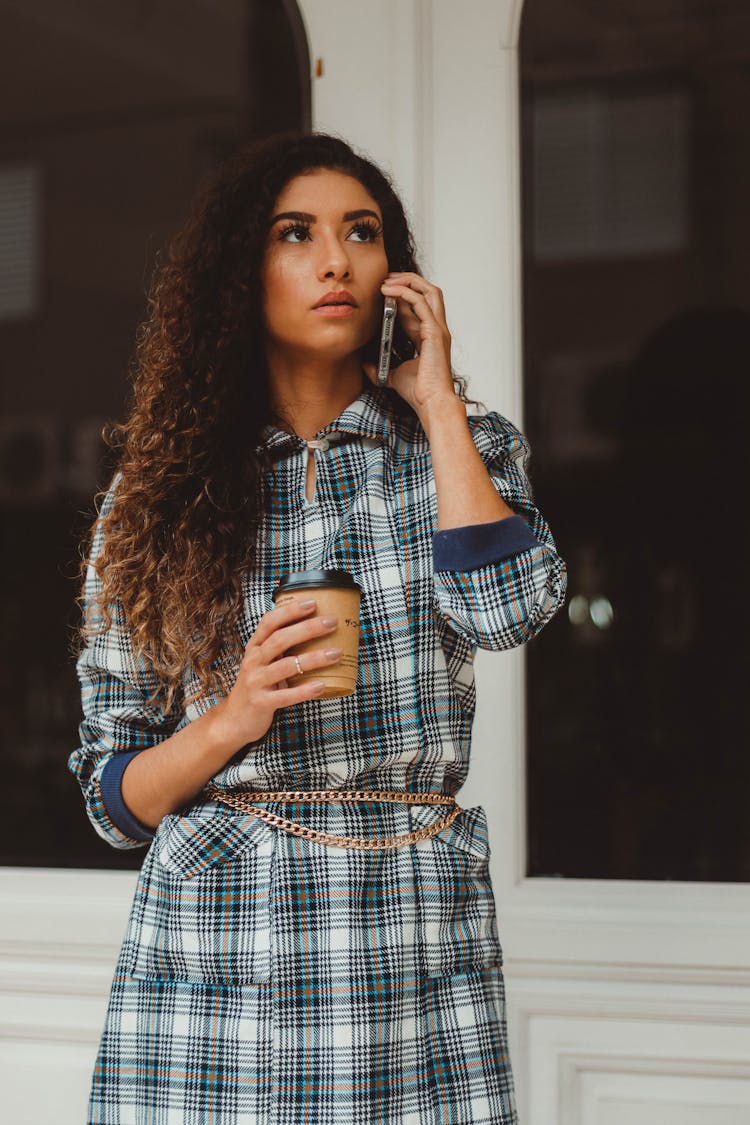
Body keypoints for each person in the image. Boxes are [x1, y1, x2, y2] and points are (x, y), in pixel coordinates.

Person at [70, 130, 567, 1124]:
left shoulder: (459, 447)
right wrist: (231, 717)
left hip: (407, 917)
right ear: (238, 274)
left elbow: (508, 613)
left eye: (362, 232)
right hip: (220, 929)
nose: (335, 260)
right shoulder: (154, 500)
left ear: (396, 273)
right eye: (295, 234)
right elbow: (112, 798)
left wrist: (432, 404)